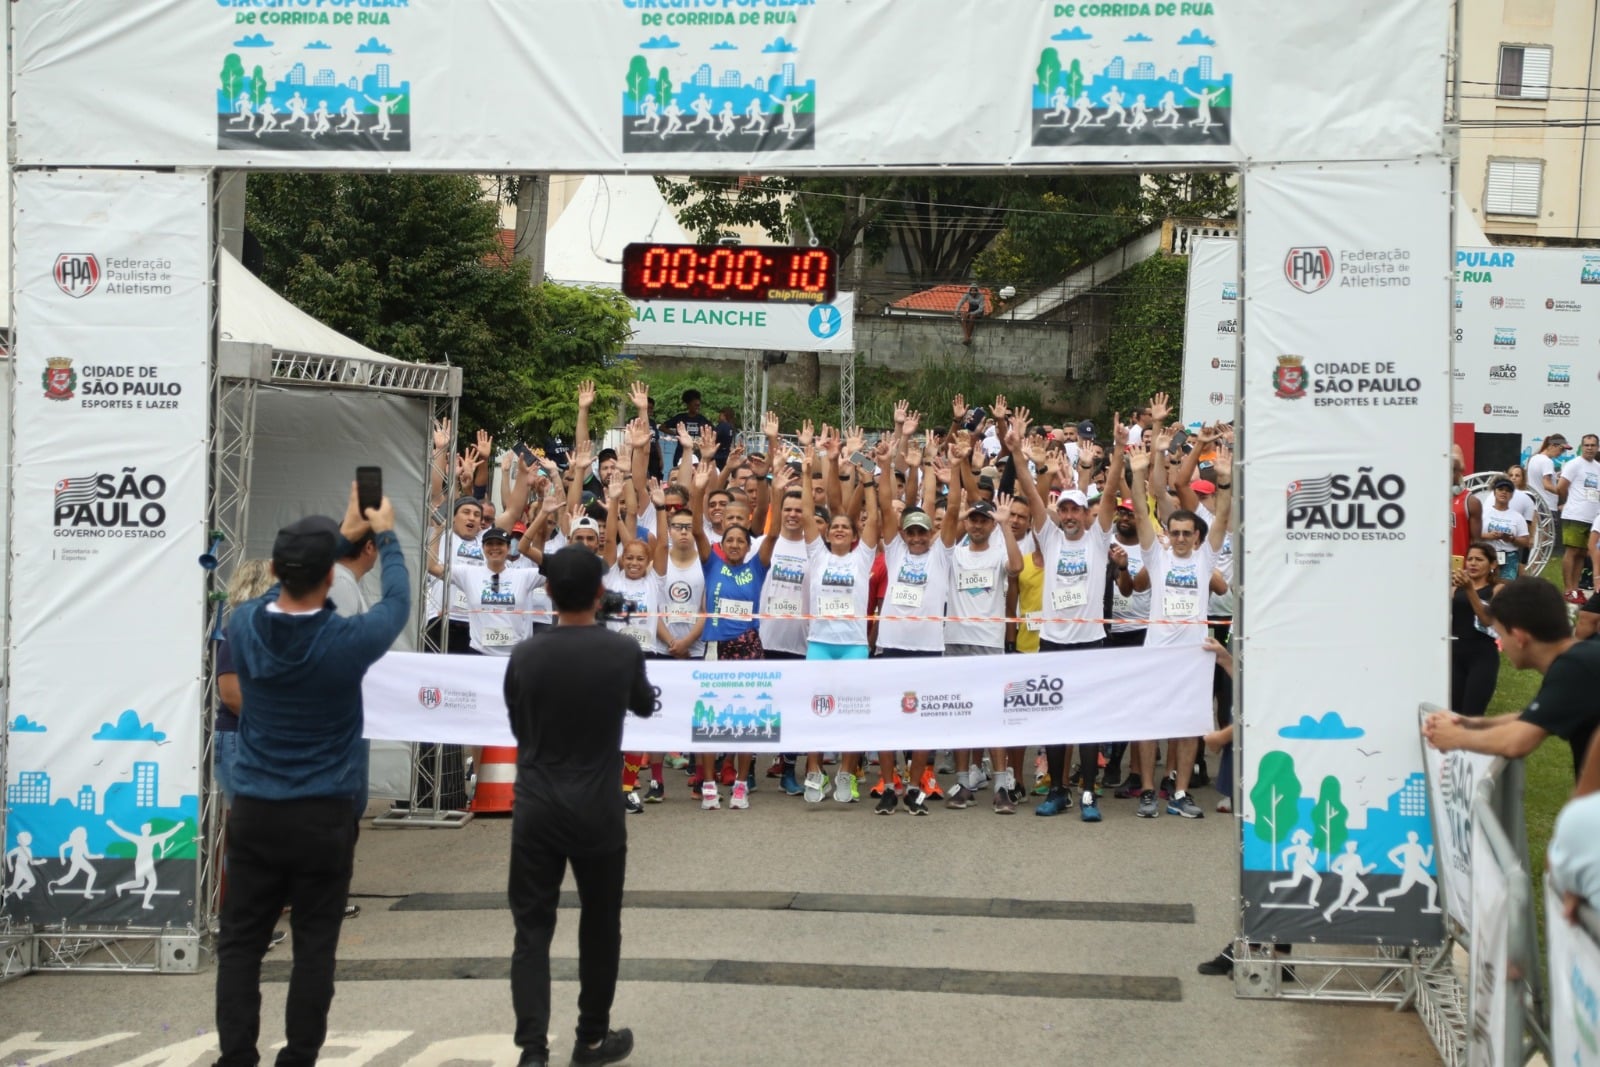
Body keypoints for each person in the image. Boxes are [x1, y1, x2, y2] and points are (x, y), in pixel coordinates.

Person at [214, 484, 409, 1067]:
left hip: (255, 809)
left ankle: (236, 1057)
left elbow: (280, 589)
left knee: (241, 945)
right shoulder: (348, 638)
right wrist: (387, 533)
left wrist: (338, 539)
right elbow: (396, 599)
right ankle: (300, 1056)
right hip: (325, 812)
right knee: (314, 948)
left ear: (275, 570)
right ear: (331, 578)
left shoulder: (244, 623)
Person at [503, 546, 655, 1067]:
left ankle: (531, 1051)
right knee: (600, 921)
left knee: (532, 930)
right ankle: (591, 1038)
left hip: (538, 802)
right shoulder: (620, 651)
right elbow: (643, 703)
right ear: (599, 593)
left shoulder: (525, 655)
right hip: (597, 804)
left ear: (547, 592)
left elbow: (517, 724)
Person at [1128, 421, 1232, 820]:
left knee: (1188, 725)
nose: (1183, 538)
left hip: (1194, 653)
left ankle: (1181, 792)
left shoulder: (1207, 557)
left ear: (1198, 538)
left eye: (1189, 533)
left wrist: (1224, 483)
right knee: (1150, 722)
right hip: (1156, 652)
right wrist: (1139, 474)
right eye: (1176, 532)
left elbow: (1222, 518)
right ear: (1167, 534)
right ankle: (1150, 792)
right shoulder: (1157, 556)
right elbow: (1140, 511)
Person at [1425, 577, 1600, 775]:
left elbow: (1516, 742)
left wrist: (1454, 737)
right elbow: (1535, 718)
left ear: (1518, 637)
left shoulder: (1574, 668)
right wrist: (1470, 723)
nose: (1502, 644)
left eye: (1501, 634)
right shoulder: (1579, 661)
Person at [1450, 542, 1503, 717]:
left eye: (1479, 559)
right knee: (1453, 713)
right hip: (1455, 653)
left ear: (1492, 564)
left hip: (1482, 656)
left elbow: (1487, 619)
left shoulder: (1497, 589)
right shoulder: (1455, 587)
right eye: (1470, 559)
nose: (1472, 563)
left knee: (1472, 715)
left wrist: (1470, 590)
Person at [1559, 434, 1600, 599]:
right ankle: (1568, 589)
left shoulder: (1598, 467)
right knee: (1572, 551)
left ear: (1597, 447)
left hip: (1593, 517)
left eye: (1593, 445)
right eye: (1586, 445)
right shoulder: (1574, 464)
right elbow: (1561, 487)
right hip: (1575, 514)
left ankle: (1576, 590)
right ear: (1581, 446)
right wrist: (1566, 503)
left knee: (1583, 553)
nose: (1589, 448)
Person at [1480, 477, 1531, 582]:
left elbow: (1526, 542)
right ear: (1494, 492)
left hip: (1509, 556)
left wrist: (1511, 539)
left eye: (1508, 491)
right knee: (1484, 585)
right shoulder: (1483, 513)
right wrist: (1488, 536)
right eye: (1500, 489)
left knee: (1504, 588)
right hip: (1486, 554)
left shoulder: (1517, 517)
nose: (1504, 492)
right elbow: (1472, 533)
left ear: (1512, 495)